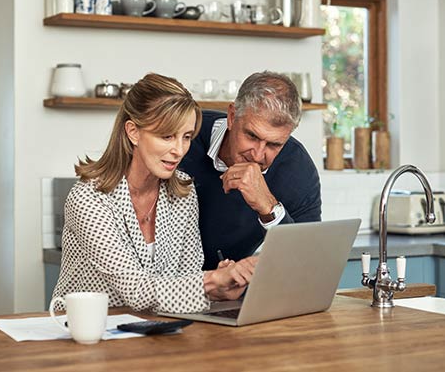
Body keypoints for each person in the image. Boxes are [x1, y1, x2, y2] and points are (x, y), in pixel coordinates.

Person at [52, 73, 257, 314]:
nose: (179, 150)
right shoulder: (88, 198)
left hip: (156, 332)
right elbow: (135, 289)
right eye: (167, 136)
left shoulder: (183, 193)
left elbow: (187, 276)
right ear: (133, 132)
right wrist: (211, 281)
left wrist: (218, 289)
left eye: (187, 137)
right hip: (87, 332)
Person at [180, 71, 321, 270]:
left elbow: (307, 262)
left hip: (231, 290)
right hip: (164, 287)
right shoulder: (184, 137)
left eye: (274, 144)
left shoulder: (297, 169)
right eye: (252, 136)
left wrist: (269, 208)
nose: (257, 155)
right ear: (231, 116)